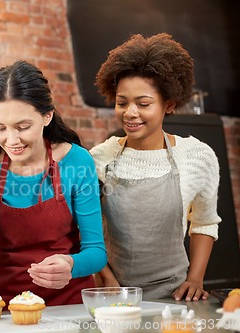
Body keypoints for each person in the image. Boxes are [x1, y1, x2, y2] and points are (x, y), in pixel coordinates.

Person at [0, 60, 107, 306]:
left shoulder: (77, 161)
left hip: (71, 304)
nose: (11, 140)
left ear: (47, 116)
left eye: (23, 127)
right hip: (12, 306)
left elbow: (96, 252)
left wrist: (71, 265)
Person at [89, 33, 221, 302]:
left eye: (143, 103)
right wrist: (106, 278)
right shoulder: (99, 158)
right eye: (122, 102)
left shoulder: (197, 156)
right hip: (113, 294)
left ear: (168, 104)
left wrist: (195, 279)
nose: (130, 113)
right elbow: (81, 227)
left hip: (175, 296)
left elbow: (205, 222)